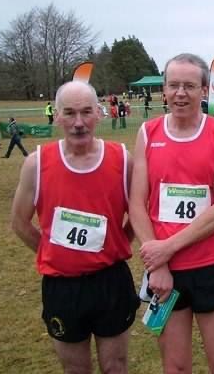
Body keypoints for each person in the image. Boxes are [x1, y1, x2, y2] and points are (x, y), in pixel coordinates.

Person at [10, 81, 139, 374]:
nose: (78, 123)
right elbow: (19, 222)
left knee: (115, 366)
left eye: (86, 112)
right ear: (56, 116)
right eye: (69, 113)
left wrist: (119, 241)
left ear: (99, 114)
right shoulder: (36, 164)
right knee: (75, 369)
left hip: (111, 282)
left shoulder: (122, 159)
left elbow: (139, 214)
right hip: (62, 286)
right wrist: (51, 250)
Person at [128, 53, 214, 374]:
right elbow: (136, 204)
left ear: (204, 90)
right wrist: (159, 263)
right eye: (173, 85)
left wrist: (167, 248)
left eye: (189, 86)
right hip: (163, 272)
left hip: (211, 266)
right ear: (163, 90)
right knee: (175, 367)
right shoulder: (148, 132)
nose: (180, 93)